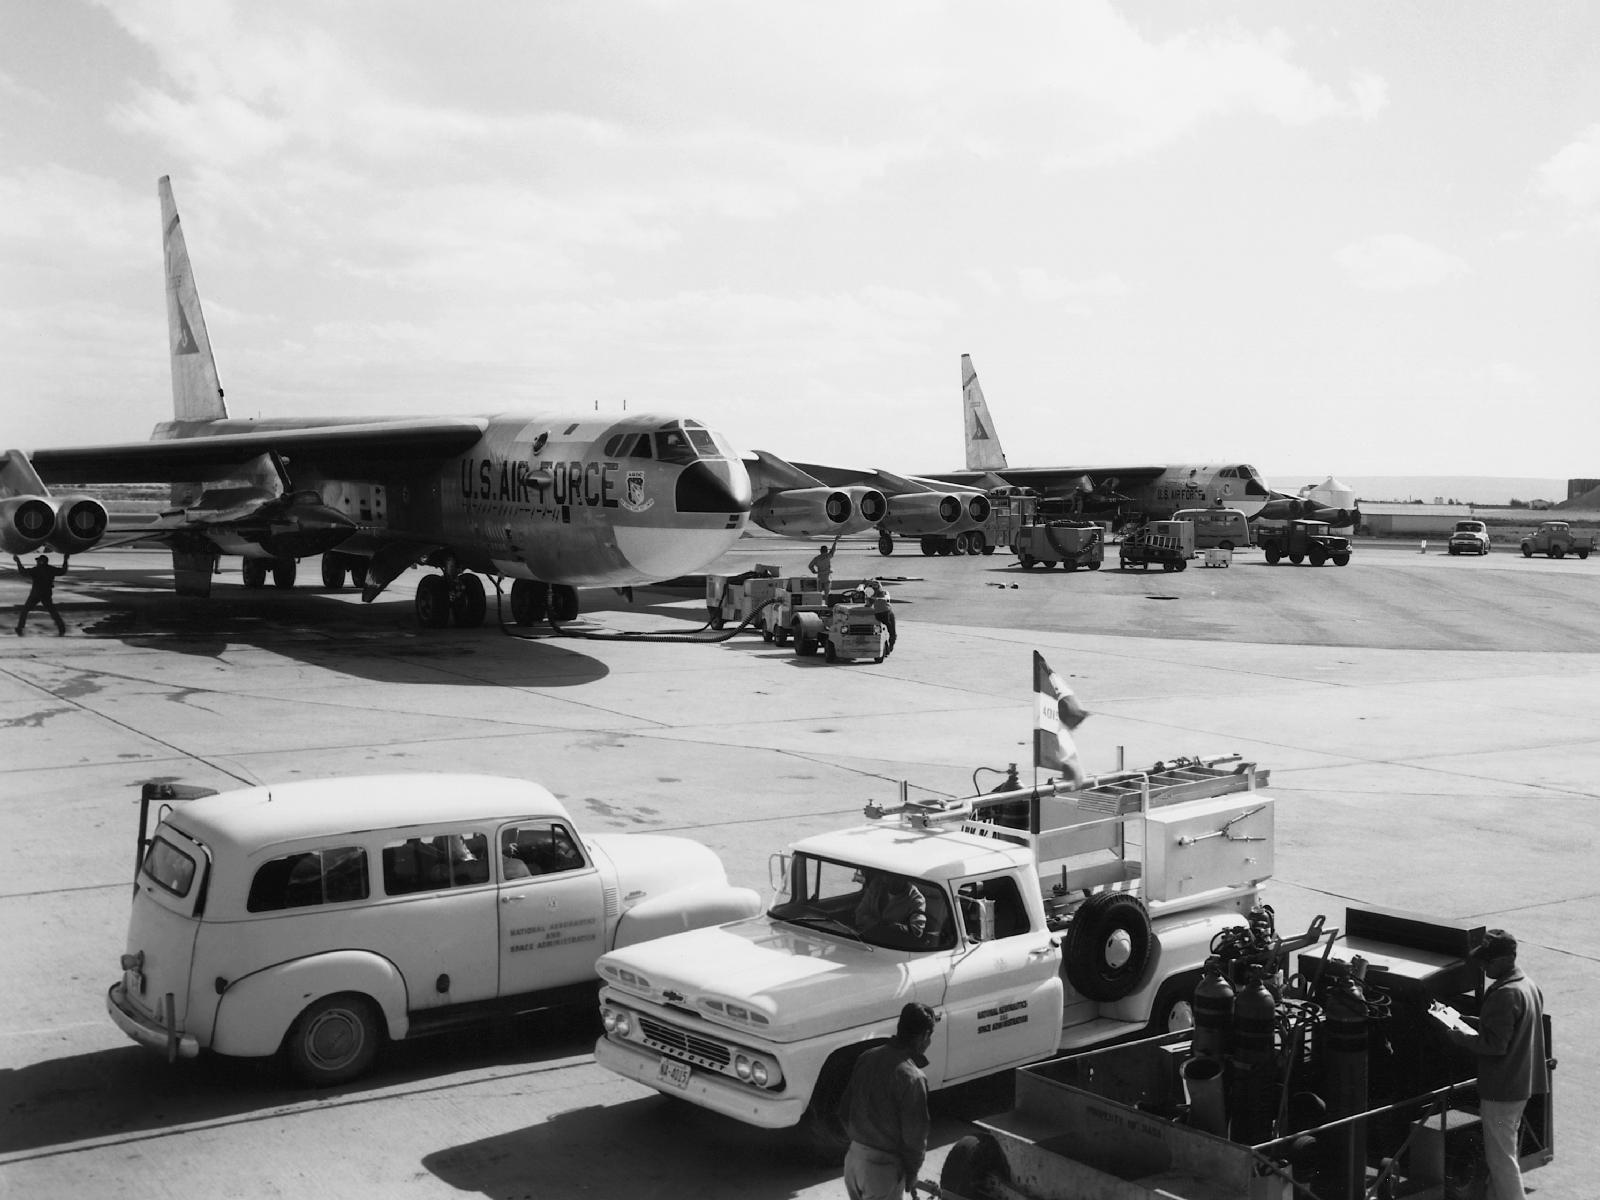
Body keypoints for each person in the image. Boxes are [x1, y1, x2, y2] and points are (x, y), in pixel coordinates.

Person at [1440, 929, 1549, 1200]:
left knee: (1502, 1160)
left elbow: (1494, 1046)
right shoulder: (1527, 985)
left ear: (1507, 959)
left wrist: (1459, 1036)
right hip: (1518, 1085)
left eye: (1488, 961)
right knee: (1499, 1155)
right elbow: (1510, 1031)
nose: (1483, 966)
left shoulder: (1505, 994)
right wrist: (1475, 1022)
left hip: (1502, 1090)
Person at [837, 1002, 938, 1200]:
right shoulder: (912, 1078)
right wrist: (911, 1173)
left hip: (853, 1162)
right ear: (925, 1036)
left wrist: (861, 1147)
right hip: (882, 1170)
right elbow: (914, 1137)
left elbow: (843, 1110)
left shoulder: (867, 1057)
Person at [854, 871, 928, 947]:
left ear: (906, 878)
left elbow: (916, 932)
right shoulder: (877, 885)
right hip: (865, 941)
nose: (890, 880)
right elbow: (859, 915)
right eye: (887, 875)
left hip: (893, 946)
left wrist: (879, 926)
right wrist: (885, 926)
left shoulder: (916, 899)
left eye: (897, 877)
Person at [13, 552, 70, 636]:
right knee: (53, 611)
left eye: (38, 560)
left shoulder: (36, 570)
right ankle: (61, 628)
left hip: (35, 594)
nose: (37, 562)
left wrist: (18, 561)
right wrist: (65, 560)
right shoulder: (50, 569)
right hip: (46, 594)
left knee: (25, 611)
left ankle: (20, 628)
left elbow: (23, 572)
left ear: (41, 562)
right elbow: (62, 571)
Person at [864, 580, 896, 654]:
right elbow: (868, 605)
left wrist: (874, 598)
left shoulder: (884, 593)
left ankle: (891, 645)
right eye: (872, 587)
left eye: (875, 587)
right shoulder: (870, 594)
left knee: (892, 631)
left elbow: (886, 598)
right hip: (878, 614)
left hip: (887, 613)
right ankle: (882, 646)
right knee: (877, 631)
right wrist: (868, 598)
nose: (874, 589)